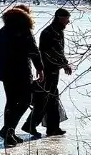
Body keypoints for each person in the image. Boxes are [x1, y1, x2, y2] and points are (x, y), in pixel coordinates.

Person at [0, 5, 44, 147]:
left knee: (11, 102)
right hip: (22, 72)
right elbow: (34, 51)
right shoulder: (25, 30)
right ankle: (9, 131)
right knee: (26, 100)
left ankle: (9, 132)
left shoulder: (4, 30)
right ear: (25, 16)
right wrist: (40, 68)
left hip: (7, 73)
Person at [26, 8, 72, 136]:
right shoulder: (49, 32)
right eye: (67, 18)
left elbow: (58, 52)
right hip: (48, 70)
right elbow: (50, 53)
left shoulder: (57, 31)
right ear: (59, 17)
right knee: (45, 98)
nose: (68, 21)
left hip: (53, 69)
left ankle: (52, 128)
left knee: (52, 98)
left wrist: (64, 64)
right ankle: (31, 125)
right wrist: (63, 64)